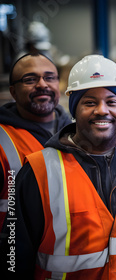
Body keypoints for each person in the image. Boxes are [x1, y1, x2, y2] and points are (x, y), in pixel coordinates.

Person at [5, 55, 116, 279]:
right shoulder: (39, 170)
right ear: (74, 110)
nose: (101, 110)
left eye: (112, 101)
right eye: (89, 102)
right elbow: (14, 254)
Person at [0, 53, 72, 231]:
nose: (42, 84)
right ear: (13, 92)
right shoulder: (3, 140)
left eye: (49, 78)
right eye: (30, 79)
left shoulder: (76, 131)